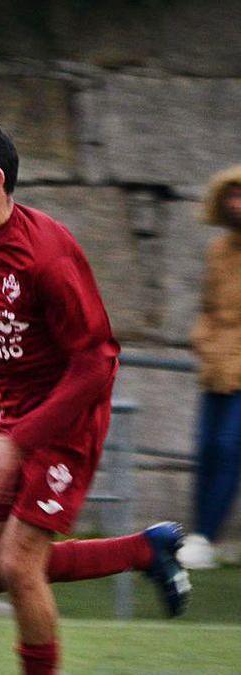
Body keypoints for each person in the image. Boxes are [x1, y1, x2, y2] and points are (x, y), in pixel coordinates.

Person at [0, 113, 192, 675]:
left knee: (21, 566)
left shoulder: (49, 256)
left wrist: (21, 441)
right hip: (16, 424)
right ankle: (146, 550)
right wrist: (9, 436)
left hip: (68, 420)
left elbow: (98, 364)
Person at [182, 165, 241, 569]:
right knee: (205, 449)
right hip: (216, 364)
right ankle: (198, 534)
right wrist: (202, 338)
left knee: (228, 447)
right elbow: (207, 307)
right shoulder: (218, 251)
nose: (236, 204)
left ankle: (207, 534)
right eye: (231, 197)